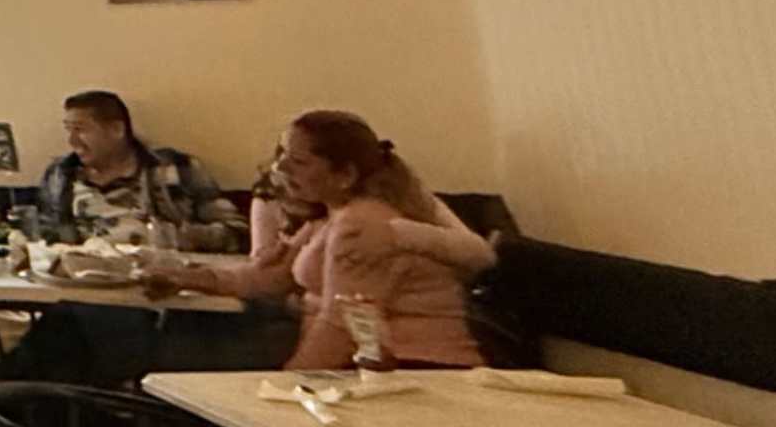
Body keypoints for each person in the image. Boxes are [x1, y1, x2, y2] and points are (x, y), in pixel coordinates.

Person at [147, 111, 494, 369]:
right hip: (371, 366)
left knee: (178, 352)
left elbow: (342, 326)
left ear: (344, 175)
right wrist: (189, 277)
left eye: (297, 161)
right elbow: (270, 277)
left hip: (414, 369)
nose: (279, 168)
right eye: (281, 154)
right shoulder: (330, 216)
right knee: (179, 344)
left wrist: (286, 391)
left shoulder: (361, 224)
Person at [27, 91, 235, 246]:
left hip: (160, 287)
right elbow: (45, 238)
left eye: (80, 130)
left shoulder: (176, 169)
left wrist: (179, 236)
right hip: (84, 288)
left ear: (117, 130)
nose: (72, 141)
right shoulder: (59, 175)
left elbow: (236, 233)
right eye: (68, 130)